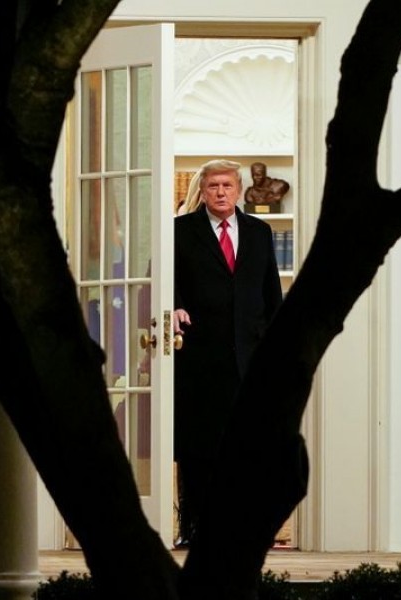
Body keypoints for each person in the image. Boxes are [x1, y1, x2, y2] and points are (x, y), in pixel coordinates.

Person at [172, 159, 283, 545]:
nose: (221, 192)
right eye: (213, 186)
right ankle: (193, 527)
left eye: (227, 186)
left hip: (249, 354)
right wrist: (174, 306)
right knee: (198, 446)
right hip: (198, 354)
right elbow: (163, 278)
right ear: (202, 191)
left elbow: (271, 290)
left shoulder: (259, 231)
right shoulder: (179, 231)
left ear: (237, 190)